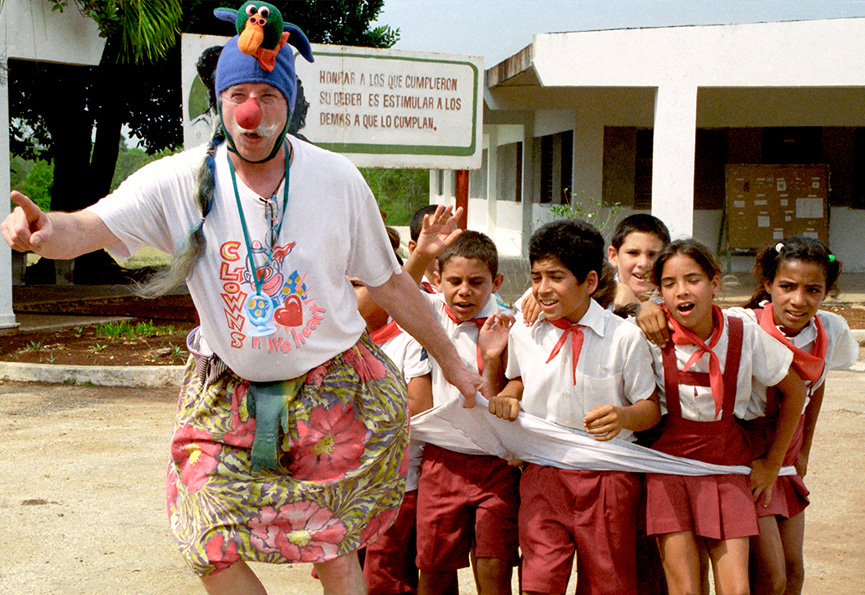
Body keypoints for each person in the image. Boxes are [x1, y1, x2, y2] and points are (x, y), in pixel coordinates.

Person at [1, 5, 487, 595]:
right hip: (224, 389)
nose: (251, 111)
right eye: (237, 95)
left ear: (290, 105)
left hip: (335, 387)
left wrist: (457, 365)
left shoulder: (336, 179)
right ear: (220, 104)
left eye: (266, 95)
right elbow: (89, 226)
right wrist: (45, 233)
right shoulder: (177, 181)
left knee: (332, 547)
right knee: (205, 539)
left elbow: (390, 283)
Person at [488, 219, 661, 595]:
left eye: (556, 277)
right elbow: (519, 379)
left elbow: (650, 408)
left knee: (607, 583)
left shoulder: (625, 337)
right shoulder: (524, 331)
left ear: (591, 282)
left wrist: (623, 416)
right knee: (538, 582)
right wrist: (508, 396)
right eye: (536, 277)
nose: (543, 289)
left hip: (608, 478)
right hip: (543, 474)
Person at [642, 239, 806, 595]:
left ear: (715, 283)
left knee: (736, 588)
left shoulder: (743, 333)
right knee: (684, 588)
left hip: (728, 467)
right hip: (670, 469)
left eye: (693, 279)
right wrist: (640, 308)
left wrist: (772, 463)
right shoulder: (648, 335)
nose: (681, 291)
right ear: (659, 293)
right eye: (669, 284)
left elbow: (796, 392)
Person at [728, 237, 857, 595]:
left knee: (794, 572)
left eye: (813, 289)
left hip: (785, 456)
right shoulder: (745, 326)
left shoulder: (829, 330)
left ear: (826, 291)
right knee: (770, 574)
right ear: (768, 284)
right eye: (787, 286)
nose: (799, 300)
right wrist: (766, 464)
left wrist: (804, 452)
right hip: (750, 459)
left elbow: (816, 388)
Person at [403, 217, 519, 595]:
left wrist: (495, 356)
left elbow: (506, 394)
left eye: (477, 282)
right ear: (438, 281)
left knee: (494, 566)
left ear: (496, 283)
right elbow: (400, 288)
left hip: (496, 462)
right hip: (443, 459)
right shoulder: (431, 313)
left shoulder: (513, 326)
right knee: (434, 568)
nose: (464, 292)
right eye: (454, 281)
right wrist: (422, 252)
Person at [607, 214, 671, 307]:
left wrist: (638, 307)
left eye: (653, 255)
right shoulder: (594, 298)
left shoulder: (673, 300)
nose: (643, 263)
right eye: (633, 253)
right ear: (613, 256)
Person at [408, 204, 442, 293]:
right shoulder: (413, 289)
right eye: (436, 238)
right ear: (413, 248)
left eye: (452, 238)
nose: (444, 246)